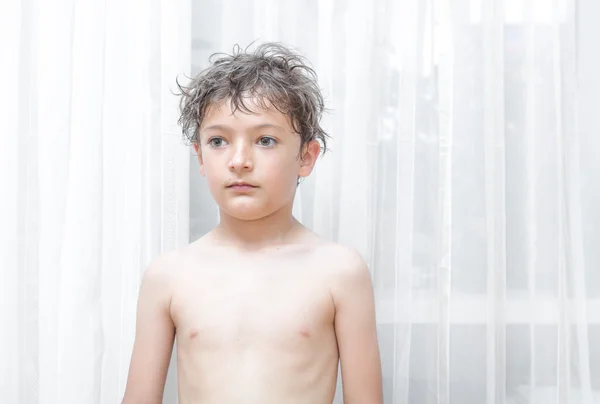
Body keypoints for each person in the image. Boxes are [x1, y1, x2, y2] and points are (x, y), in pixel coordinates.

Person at [121, 42, 383, 404]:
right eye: (218, 141)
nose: (239, 160)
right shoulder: (168, 276)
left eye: (265, 140)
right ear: (199, 156)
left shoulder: (339, 271)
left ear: (306, 157)